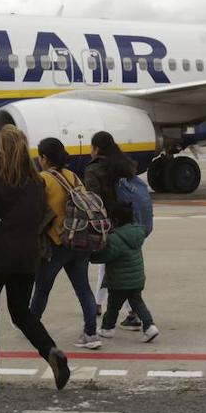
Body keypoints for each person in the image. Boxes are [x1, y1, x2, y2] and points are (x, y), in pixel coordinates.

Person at [0, 124, 70, 390]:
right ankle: (50, 351)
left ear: (0, 148)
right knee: (21, 312)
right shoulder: (35, 180)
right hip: (26, 256)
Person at [29, 137, 101, 350]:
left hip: (56, 243)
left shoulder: (43, 179)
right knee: (83, 288)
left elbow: (36, 210)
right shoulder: (74, 176)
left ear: (44, 158)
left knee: (42, 287)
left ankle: (31, 326)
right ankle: (91, 333)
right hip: (79, 241)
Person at [83, 131, 142, 327]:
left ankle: (135, 311)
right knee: (110, 265)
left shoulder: (94, 170)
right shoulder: (124, 165)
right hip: (127, 219)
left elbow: (93, 200)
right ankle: (99, 302)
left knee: (115, 268)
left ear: (96, 149)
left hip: (108, 223)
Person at [90, 203, 159, 342]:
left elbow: (105, 256)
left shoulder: (114, 238)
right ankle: (150, 326)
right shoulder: (136, 233)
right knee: (138, 303)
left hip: (119, 282)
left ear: (115, 221)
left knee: (113, 306)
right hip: (136, 279)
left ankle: (107, 328)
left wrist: (91, 256)